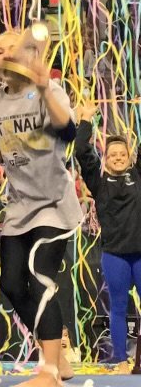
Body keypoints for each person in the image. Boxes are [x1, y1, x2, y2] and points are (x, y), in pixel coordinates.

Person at [0, 30, 81, 387]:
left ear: (26, 54)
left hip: (54, 205)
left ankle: (48, 371)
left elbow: (68, 130)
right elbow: (13, 143)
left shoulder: (47, 89)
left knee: (39, 276)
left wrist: (44, 88)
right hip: (19, 206)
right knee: (11, 287)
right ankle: (58, 353)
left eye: (6, 48)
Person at [73, 100, 140, 374]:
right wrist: (86, 120)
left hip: (140, 253)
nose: (117, 156)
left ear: (130, 155)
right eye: (112, 153)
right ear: (106, 158)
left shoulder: (139, 175)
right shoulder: (98, 183)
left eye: (121, 153)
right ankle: (121, 361)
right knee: (119, 308)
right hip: (114, 255)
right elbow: (82, 151)